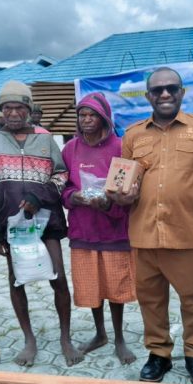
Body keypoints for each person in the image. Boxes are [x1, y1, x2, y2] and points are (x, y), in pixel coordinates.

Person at [109, 67, 193, 384]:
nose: (164, 95)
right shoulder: (133, 135)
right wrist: (121, 195)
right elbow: (122, 180)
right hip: (145, 233)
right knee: (150, 299)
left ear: (182, 93)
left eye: (171, 89)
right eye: (157, 90)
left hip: (189, 233)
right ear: (148, 96)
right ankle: (159, 354)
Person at [0, 80, 83, 367]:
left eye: (19, 107)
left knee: (58, 278)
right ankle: (28, 339)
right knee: (17, 279)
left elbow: (61, 176)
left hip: (46, 220)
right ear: (1, 111)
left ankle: (65, 337)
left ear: (28, 109)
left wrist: (39, 195)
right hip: (12, 226)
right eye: (8, 108)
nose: (13, 113)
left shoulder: (45, 139)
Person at [62, 93, 137, 365]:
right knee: (92, 286)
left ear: (104, 117)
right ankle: (99, 333)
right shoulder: (70, 149)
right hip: (83, 230)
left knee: (115, 286)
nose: (86, 120)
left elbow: (126, 188)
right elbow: (62, 186)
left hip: (114, 228)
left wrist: (109, 203)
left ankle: (119, 337)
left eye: (92, 115)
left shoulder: (120, 146)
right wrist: (74, 197)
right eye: (82, 115)